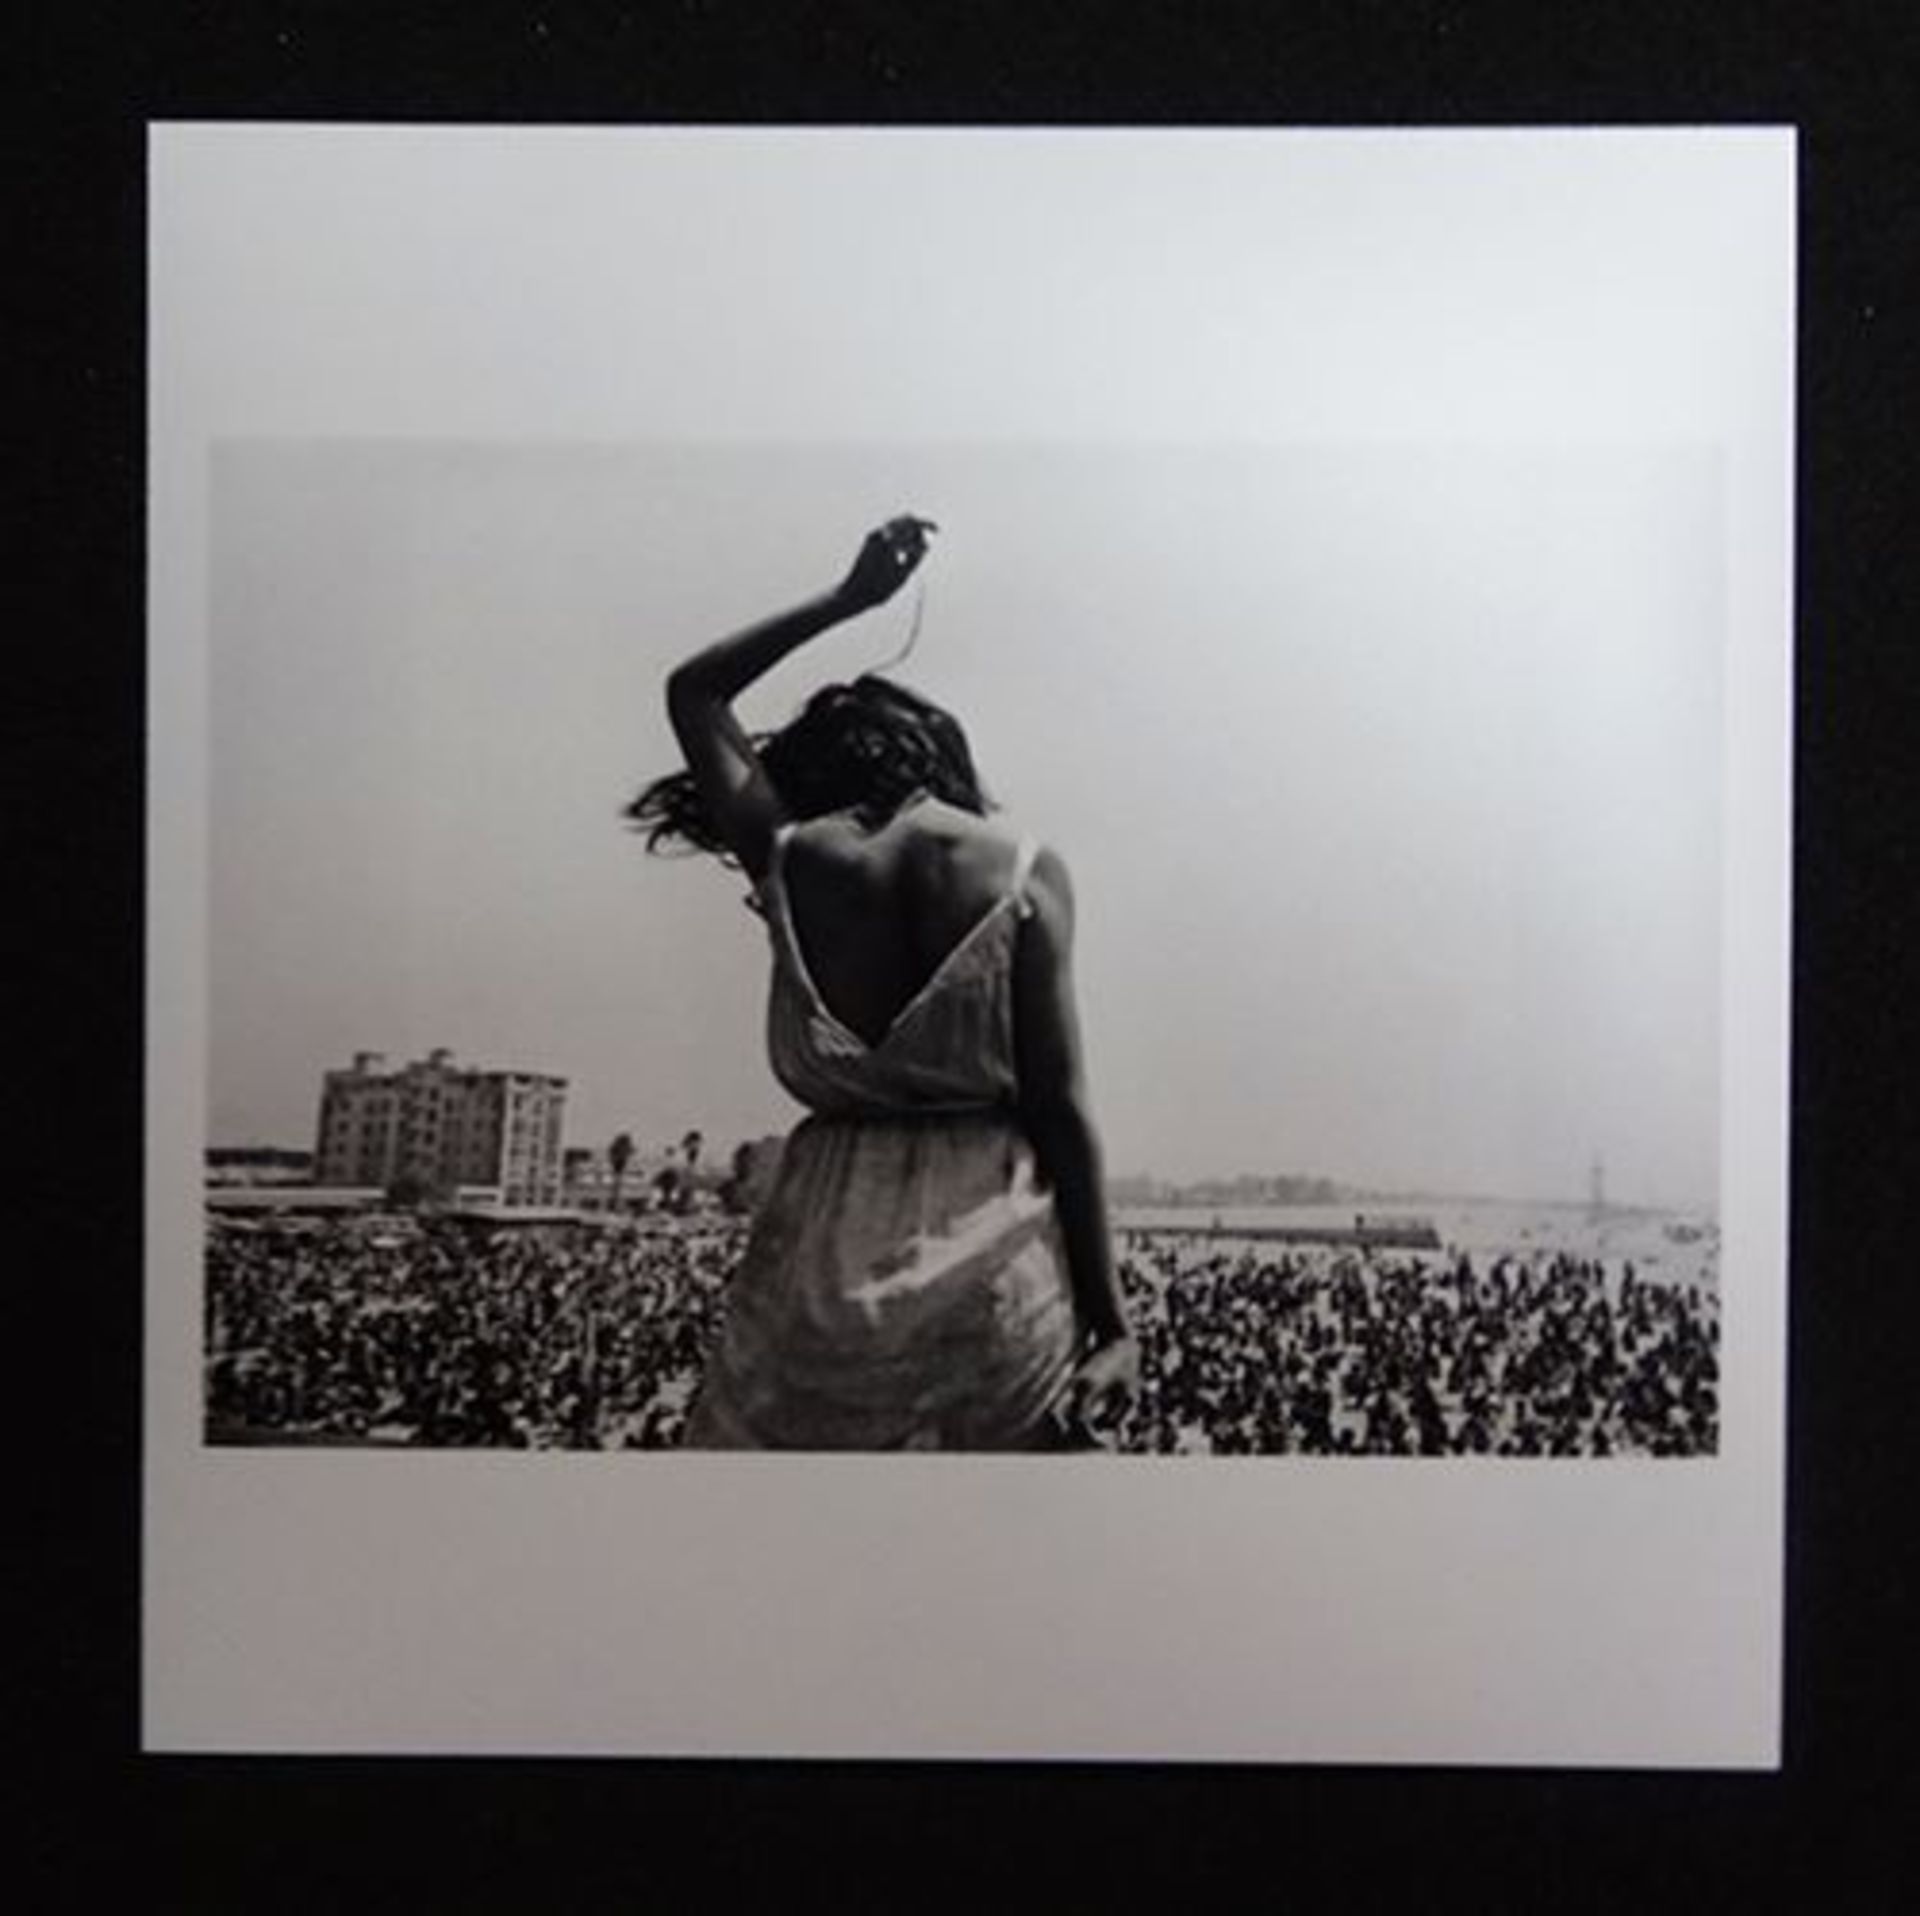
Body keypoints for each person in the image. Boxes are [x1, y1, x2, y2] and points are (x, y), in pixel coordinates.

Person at [627, 515, 1138, 1450]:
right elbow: (1062, 1111)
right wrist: (1112, 1324)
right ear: (941, 757)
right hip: (998, 1265)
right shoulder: (1023, 869)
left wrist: (850, 599)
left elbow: (694, 692)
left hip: (819, 1264)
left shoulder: (788, 857)